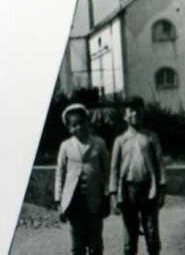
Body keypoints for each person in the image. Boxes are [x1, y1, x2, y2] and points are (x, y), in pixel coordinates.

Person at [109, 98, 166, 255]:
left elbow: (160, 164)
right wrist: (113, 194)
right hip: (128, 191)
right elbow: (114, 169)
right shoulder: (120, 141)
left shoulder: (151, 137)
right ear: (125, 116)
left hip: (148, 189)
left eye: (138, 110)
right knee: (130, 236)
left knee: (151, 233)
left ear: (143, 113)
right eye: (131, 111)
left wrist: (162, 189)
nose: (135, 114)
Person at [55, 103, 110, 255]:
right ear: (69, 128)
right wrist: (59, 199)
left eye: (81, 122)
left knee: (95, 242)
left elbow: (107, 171)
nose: (79, 127)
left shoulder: (99, 143)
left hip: (94, 198)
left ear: (87, 121)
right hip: (74, 201)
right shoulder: (66, 146)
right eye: (74, 125)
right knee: (77, 243)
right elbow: (60, 172)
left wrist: (106, 194)